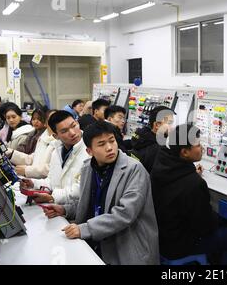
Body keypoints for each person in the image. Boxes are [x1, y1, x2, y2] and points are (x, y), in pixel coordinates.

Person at [42, 121, 159, 265]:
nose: (109, 148)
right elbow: (89, 202)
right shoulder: (88, 169)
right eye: (101, 144)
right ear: (89, 151)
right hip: (99, 244)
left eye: (112, 141)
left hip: (127, 246)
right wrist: (65, 209)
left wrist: (85, 229)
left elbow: (125, 213)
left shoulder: (134, 169)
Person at [150, 123, 227, 264]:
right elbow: (205, 227)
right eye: (198, 145)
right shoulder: (193, 183)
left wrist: (191, 173)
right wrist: (219, 219)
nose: (202, 149)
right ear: (185, 152)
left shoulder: (160, 163)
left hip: (161, 236)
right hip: (179, 245)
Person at [20, 110, 89, 205]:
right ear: (56, 136)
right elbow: (53, 182)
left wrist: (53, 197)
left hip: (78, 210)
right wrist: (33, 183)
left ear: (77, 122)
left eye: (74, 125)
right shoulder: (57, 151)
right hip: (60, 208)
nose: (72, 133)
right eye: (64, 131)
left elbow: (82, 188)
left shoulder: (90, 149)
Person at [7, 110, 57, 178]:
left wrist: (27, 170)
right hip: (35, 181)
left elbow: (51, 169)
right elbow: (32, 159)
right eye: (52, 120)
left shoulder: (61, 142)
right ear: (46, 123)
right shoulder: (43, 138)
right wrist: (11, 153)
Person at [131, 106, 175, 172]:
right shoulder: (159, 149)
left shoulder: (141, 137)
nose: (173, 127)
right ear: (157, 125)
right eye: (170, 123)